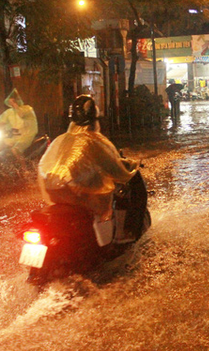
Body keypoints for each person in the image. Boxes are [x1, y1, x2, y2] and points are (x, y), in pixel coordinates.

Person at [38, 95, 139, 244]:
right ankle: (120, 235)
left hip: (54, 195)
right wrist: (130, 168)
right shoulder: (94, 141)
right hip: (80, 199)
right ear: (95, 120)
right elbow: (115, 169)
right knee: (120, 194)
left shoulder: (61, 139)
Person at [0, 88, 38, 163]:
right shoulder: (8, 112)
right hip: (12, 136)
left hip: (25, 136)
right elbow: (0, 121)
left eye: (13, 101)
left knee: (15, 150)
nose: (11, 103)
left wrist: (15, 105)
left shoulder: (27, 109)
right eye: (10, 101)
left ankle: (24, 169)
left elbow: (21, 114)